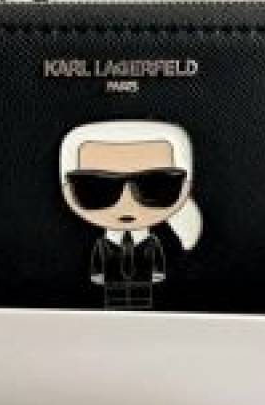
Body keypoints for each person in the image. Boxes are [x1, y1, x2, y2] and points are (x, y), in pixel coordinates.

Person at [60, 120, 202, 310]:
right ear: (68, 189)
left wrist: (157, 274)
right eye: (97, 189)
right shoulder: (105, 244)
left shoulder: (150, 242)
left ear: (185, 187)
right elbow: (98, 266)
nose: (126, 203)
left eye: (155, 187)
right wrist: (98, 275)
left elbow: (157, 266)